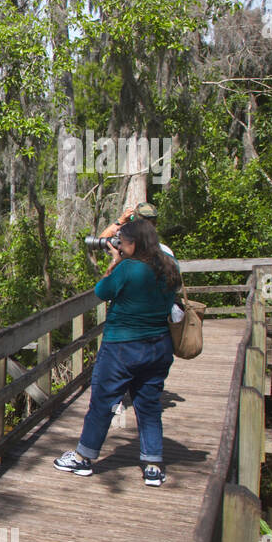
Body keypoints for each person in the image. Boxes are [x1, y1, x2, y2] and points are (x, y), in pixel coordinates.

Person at [54, 217, 181, 486]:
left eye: (121, 242)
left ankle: (83, 458)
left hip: (122, 348)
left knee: (103, 402)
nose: (118, 246)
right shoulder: (170, 266)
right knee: (148, 406)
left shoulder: (129, 269)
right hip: (158, 347)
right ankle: (153, 465)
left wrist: (116, 261)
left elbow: (102, 291)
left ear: (134, 244)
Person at [97, 202, 174, 259]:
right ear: (155, 226)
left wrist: (120, 221)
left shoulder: (126, 249)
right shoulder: (165, 251)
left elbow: (100, 242)